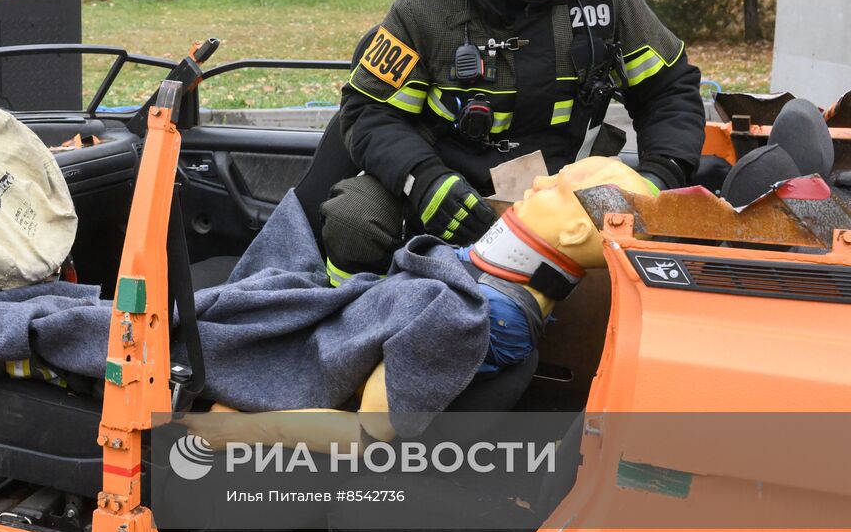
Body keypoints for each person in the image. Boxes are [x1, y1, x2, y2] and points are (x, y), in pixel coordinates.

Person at [320, 0, 705, 283]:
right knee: (354, 218)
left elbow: (670, 89)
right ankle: (351, 326)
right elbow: (369, 111)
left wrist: (655, 180)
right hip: (449, 194)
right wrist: (424, 181)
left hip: (565, 197)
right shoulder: (427, 8)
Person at [184, 156, 653, 452]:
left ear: (572, 234)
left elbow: (371, 434)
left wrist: (238, 432)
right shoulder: (484, 294)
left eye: (556, 187)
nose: (537, 181)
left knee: (169, 328)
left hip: (312, 366)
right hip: (333, 330)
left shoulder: (465, 313)